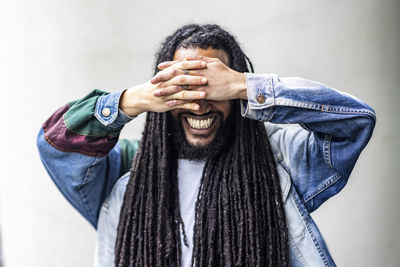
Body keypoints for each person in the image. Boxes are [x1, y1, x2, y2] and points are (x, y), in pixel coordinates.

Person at [37, 24, 375, 267]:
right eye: (185, 88)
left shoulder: (278, 158)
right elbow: (55, 145)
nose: (199, 105)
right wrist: (131, 100)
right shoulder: (128, 170)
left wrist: (247, 86)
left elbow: (355, 122)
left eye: (213, 88)